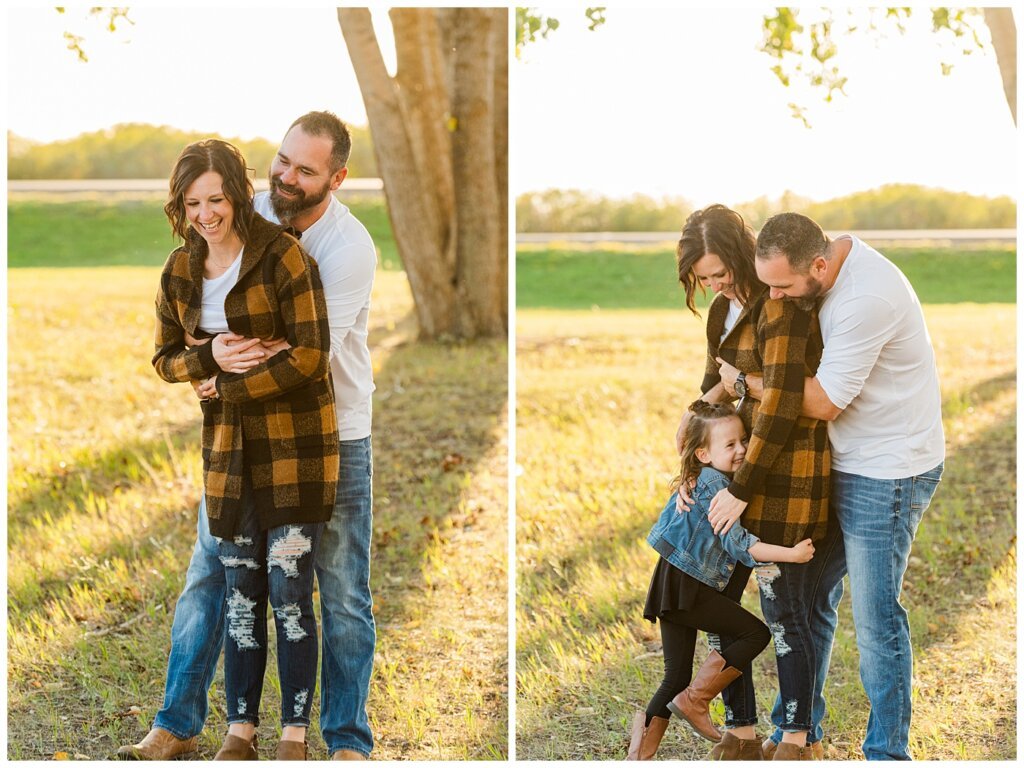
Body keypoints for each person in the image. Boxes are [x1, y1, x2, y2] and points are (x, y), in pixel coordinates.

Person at [117, 112, 377, 761]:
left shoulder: (348, 248)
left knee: (340, 587)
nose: (286, 177)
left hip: (332, 434)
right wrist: (205, 359)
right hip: (239, 439)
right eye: (283, 160)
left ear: (336, 178)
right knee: (208, 575)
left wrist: (218, 375)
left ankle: (345, 739)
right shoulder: (239, 208)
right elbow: (187, 331)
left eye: (305, 170)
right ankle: (178, 722)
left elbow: (303, 352)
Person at [717, 213, 944, 760]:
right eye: (766, 282)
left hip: (887, 470)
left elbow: (820, 401)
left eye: (782, 287)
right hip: (836, 460)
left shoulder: (869, 298)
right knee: (807, 596)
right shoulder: (809, 268)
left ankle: (886, 753)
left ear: (819, 266)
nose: (772, 296)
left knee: (875, 616)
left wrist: (745, 383)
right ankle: (800, 732)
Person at [667, 204, 833, 761]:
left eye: (721, 273)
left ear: (743, 255)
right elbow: (711, 393)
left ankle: (794, 734)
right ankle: (739, 729)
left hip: (784, 476)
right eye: (704, 278)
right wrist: (691, 471)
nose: (715, 285)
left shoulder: (778, 306)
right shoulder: (720, 312)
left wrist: (740, 491)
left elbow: (786, 405)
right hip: (729, 473)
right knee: (723, 603)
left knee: (785, 612)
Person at [629, 401, 815, 761]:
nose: (742, 450)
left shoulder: (703, 474)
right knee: (755, 634)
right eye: (730, 445)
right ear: (703, 452)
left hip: (671, 581)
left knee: (675, 676)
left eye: (743, 440)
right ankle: (696, 699)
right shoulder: (716, 483)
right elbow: (739, 544)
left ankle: (638, 756)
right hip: (690, 588)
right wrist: (791, 554)